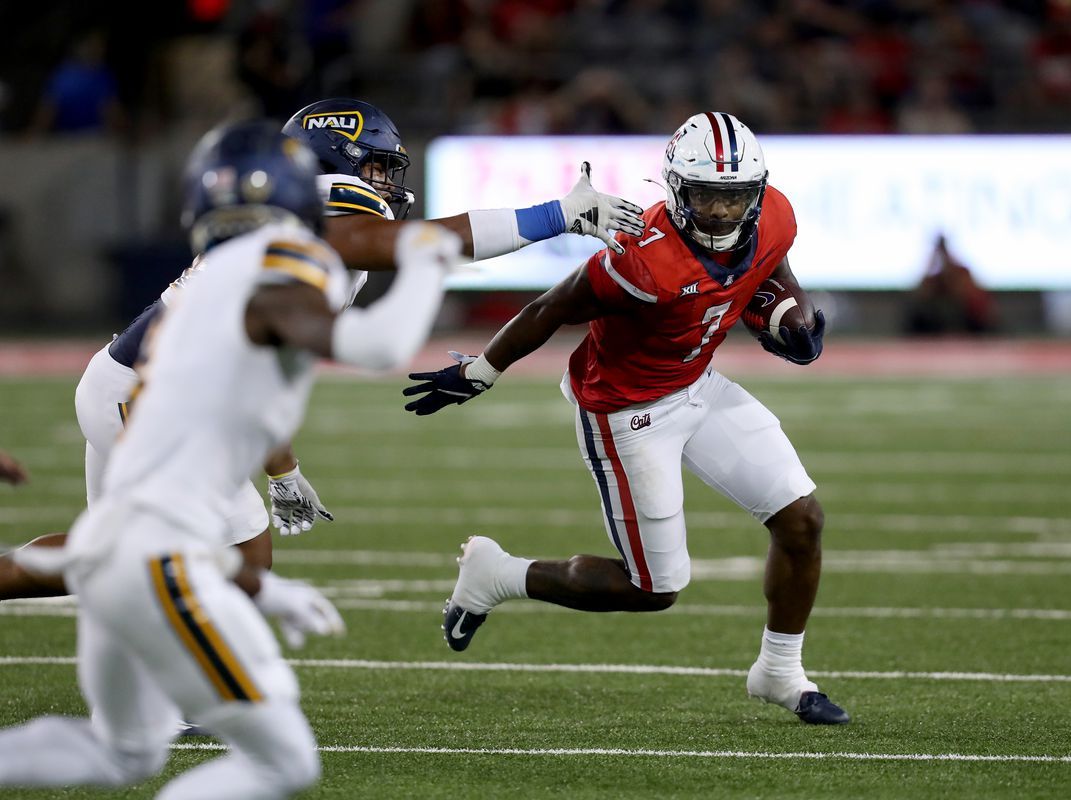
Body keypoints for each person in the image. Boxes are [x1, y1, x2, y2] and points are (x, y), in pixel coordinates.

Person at [0, 96, 644, 602]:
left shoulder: (291, 228)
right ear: (331, 163)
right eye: (375, 166)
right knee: (235, 559)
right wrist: (558, 215)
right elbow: (433, 242)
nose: (386, 182)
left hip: (138, 386)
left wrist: (281, 468)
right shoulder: (324, 227)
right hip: (152, 401)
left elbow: (256, 373)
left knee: (103, 557)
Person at [0, 120, 457, 797]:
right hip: (155, 566)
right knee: (285, 762)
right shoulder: (273, 275)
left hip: (123, 552)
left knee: (126, 755)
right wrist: (429, 261)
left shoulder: (215, 286)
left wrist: (271, 543)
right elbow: (378, 346)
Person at [403, 112, 849, 725]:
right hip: (627, 410)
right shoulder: (642, 259)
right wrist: (481, 370)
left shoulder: (774, 214)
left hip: (698, 384)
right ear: (675, 189)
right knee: (653, 588)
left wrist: (789, 317)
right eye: (707, 197)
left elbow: (769, 267)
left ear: (757, 191)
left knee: (802, 520)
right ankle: (497, 574)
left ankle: (779, 671)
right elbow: (549, 306)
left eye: (733, 198)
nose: (721, 213)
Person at [903, 232, 997, 335]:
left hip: (967, 333)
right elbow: (920, 298)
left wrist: (953, 273)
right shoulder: (931, 281)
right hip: (932, 335)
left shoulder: (962, 274)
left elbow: (978, 307)